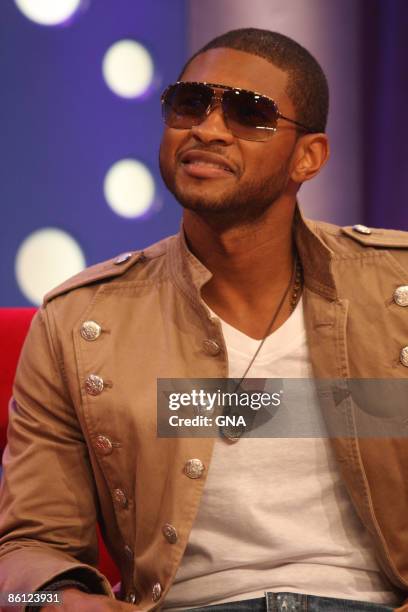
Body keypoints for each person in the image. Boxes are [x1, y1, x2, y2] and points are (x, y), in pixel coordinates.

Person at [1, 27, 408, 612]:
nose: (208, 129)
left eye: (249, 114)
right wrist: (59, 603)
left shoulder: (395, 290)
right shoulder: (79, 322)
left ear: (308, 157)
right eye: (190, 104)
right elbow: (21, 558)